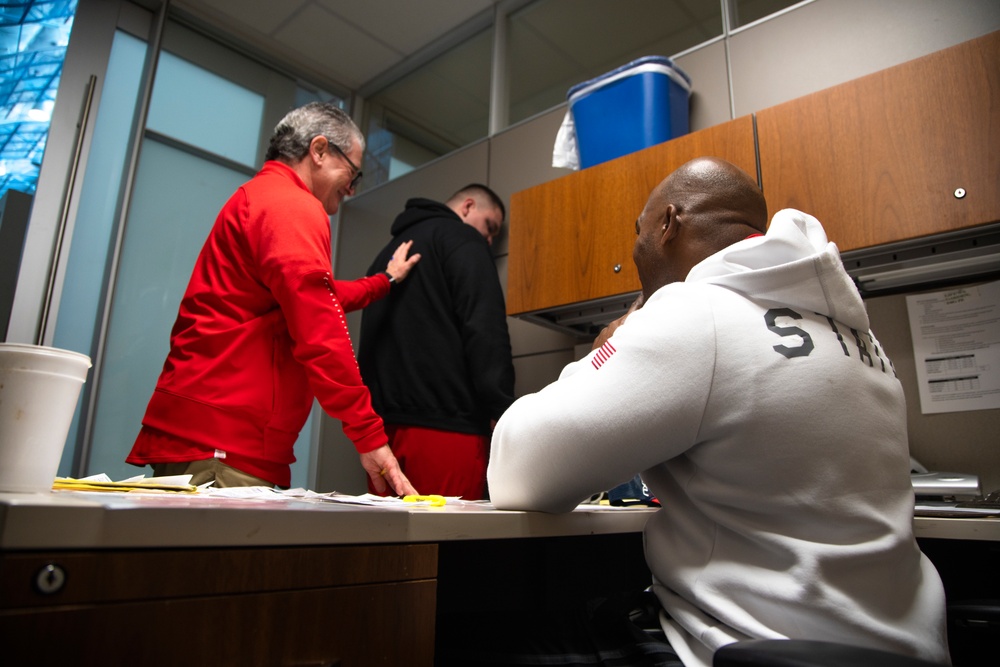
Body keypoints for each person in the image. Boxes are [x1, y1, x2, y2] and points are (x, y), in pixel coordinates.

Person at [481, 157, 950, 666]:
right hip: (900, 647)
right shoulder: (858, 336)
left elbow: (515, 472)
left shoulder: (696, 311)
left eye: (638, 232)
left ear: (667, 224)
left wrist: (606, 349)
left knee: (488, 639)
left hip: (748, 648)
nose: (635, 250)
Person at [127, 102, 419, 495]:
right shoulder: (291, 205)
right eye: (353, 173)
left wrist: (384, 281)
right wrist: (369, 435)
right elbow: (320, 327)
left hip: (213, 434)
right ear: (318, 151)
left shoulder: (262, 197)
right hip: (223, 445)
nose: (351, 189)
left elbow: (318, 297)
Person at [357, 184, 515, 499]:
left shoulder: (384, 257)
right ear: (468, 206)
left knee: (391, 544)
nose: (488, 240)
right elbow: (485, 329)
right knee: (447, 541)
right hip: (447, 430)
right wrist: (503, 409)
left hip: (382, 438)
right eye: (490, 228)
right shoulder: (462, 239)